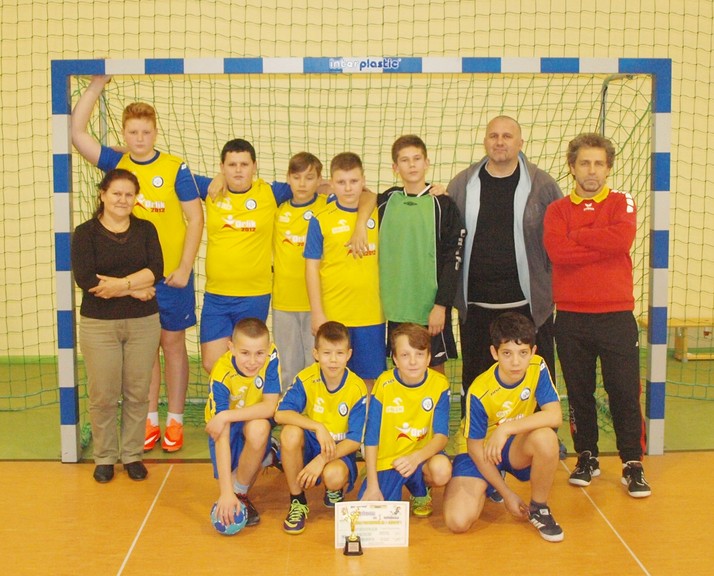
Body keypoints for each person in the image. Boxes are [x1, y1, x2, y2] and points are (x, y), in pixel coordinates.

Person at [71, 75, 204, 454]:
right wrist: (96, 86)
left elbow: (196, 218)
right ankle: (149, 418)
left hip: (171, 276)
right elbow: (77, 134)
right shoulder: (117, 164)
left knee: (172, 344)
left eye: (146, 132)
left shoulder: (175, 168)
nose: (140, 138)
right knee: (144, 351)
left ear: (155, 132)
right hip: (130, 279)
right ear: (125, 134)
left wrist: (185, 267)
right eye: (133, 132)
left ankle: (174, 420)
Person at [543, 133, 651, 498]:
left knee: (624, 391)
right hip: (571, 317)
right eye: (585, 163)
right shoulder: (557, 210)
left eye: (599, 164)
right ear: (572, 167)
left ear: (608, 168)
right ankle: (586, 456)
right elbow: (558, 252)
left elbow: (620, 241)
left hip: (616, 316)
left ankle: (632, 462)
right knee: (579, 392)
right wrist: (598, 240)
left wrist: (578, 236)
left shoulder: (622, 201)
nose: (592, 170)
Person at [447, 116, 562, 415]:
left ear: (520, 143)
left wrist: (552, 290)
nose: (500, 142)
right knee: (477, 381)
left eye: (507, 136)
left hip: (528, 305)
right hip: (476, 306)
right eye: (494, 135)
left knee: (533, 381)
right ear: (485, 141)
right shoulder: (462, 184)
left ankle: (539, 434)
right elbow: (448, 236)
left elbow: (559, 240)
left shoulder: (542, 185)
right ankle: (475, 436)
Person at [71, 169, 163, 483]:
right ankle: (105, 457)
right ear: (103, 195)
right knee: (103, 394)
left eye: (128, 194)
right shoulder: (85, 233)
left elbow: (156, 270)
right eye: (116, 193)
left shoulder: (146, 229)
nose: (122, 200)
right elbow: (87, 279)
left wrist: (121, 285)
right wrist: (135, 289)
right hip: (99, 326)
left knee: (138, 392)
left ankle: (133, 455)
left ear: (136, 198)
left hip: (143, 324)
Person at [443, 312, 564, 542]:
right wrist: (508, 494)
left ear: (533, 352)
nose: (516, 362)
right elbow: (475, 449)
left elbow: (555, 415)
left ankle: (539, 508)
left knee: (546, 438)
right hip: (480, 453)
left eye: (523, 353)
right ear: (494, 353)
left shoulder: (537, 367)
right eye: (507, 353)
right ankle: (490, 484)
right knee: (457, 522)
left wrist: (506, 429)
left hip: (512, 447)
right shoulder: (480, 390)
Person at [193, 139, 292, 375]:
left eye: (244, 164)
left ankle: (249, 401)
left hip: (254, 296)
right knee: (213, 364)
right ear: (222, 167)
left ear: (254, 166)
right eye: (232, 165)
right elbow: (170, 171)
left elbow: (311, 183)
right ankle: (228, 399)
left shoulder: (270, 192)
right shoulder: (211, 190)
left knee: (249, 363)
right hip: (217, 296)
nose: (238, 170)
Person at [376, 135, 464, 374]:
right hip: (396, 308)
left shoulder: (443, 204)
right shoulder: (386, 201)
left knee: (434, 368)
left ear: (427, 163)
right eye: (404, 160)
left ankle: (439, 402)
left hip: (430, 308)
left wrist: (441, 305)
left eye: (417, 158)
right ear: (395, 168)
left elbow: (453, 258)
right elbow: (358, 196)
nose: (412, 165)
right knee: (403, 366)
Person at [274, 321, 368, 534]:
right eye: (327, 353)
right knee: (289, 433)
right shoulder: (306, 378)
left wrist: (321, 460)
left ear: (349, 354)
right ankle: (297, 500)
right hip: (311, 443)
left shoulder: (357, 387)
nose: (333, 360)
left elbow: (354, 441)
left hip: (338, 450)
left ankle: (333, 488)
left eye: (339, 353)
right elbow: (280, 414)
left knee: (334, 476)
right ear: (316, 353)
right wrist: (317, 427)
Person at [304, 152, 386, 389]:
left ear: (363, 181)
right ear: (331, 183)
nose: (348, 188)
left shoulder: (380, 213)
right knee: (332, 377)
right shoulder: (320, 219)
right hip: (334, 314)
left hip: (371, 314)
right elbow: (311, 268)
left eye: (354, 181)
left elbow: (375, 196)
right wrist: (317, 313)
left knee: (369, 379)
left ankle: (366, 416)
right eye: (341, 182)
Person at [359, 323, 452, 517]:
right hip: (389, 461)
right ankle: (374, 478)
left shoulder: (439, 384)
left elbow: (442, 436)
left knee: (442, 469)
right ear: (395, 359)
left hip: (421, 457)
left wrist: (415, 458)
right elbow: (372, 436)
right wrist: (373, 484)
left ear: (428, 358)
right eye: (405, 355)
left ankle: (420, 489)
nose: (413, 362)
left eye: (419, 354)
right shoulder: (384, 384)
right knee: (373, 512)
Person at [204, 318, 281, 528]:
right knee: (227, 479)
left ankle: (241, 494)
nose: (253, 361)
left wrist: (233, 493)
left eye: (259, 353)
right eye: (245, 353)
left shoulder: (272, 355)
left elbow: (270, 407)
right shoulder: (221, 375)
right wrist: (225, 493)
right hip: (226, 428)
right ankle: (268, 454)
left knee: (259, 428)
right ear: (231, 348)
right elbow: (221, 435)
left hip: (252, 418)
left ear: (268, 349)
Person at [272, 152, 330, 390]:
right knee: (288, 367)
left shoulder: (328, 206)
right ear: (288, 178)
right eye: (296, 177)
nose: (302, 184)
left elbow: (365, 196)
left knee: (318, 365)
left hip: (318, 304)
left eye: (309, 177)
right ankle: (290, 409)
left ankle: (318, 409)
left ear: (319, 179)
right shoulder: (277, 210)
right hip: (284, 303)